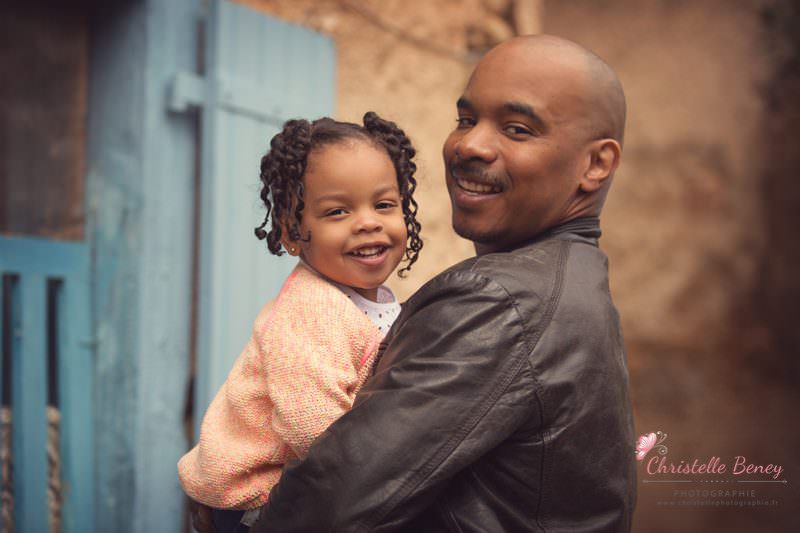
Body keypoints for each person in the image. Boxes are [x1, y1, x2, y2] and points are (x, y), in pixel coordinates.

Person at [248, 34, 636, 533]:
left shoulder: (502, 300)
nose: (469, 144)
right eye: (466, 119)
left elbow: (328, 504)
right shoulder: (576, 280)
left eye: (517, 129)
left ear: (595, 164)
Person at [178, 112, 423, 532]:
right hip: (251, 498)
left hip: (300, 485)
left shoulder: (371, 302)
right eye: (337, 212)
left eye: (384, 204)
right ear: (293, 231)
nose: (367, 222)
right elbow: (314, 427)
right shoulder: (311, 310)